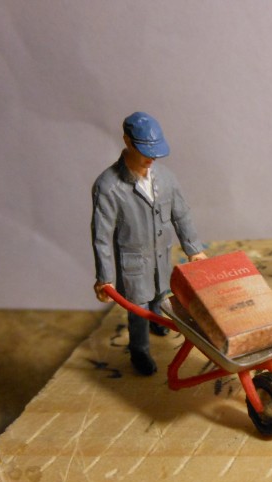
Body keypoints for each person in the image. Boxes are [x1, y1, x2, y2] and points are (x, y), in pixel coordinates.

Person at [91, 112, 206, 375]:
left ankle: (158, 321)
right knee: (138, 309)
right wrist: (104, 278)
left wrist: (194, 249)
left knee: (160, 295)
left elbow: (181, 214)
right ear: (127, 141)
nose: (152, 157)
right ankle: (140, 350)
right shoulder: (108, 186)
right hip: (133, 262)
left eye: (156, 150)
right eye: (145, 149)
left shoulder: (166, 178)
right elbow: (101, 236)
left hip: (162, 258)